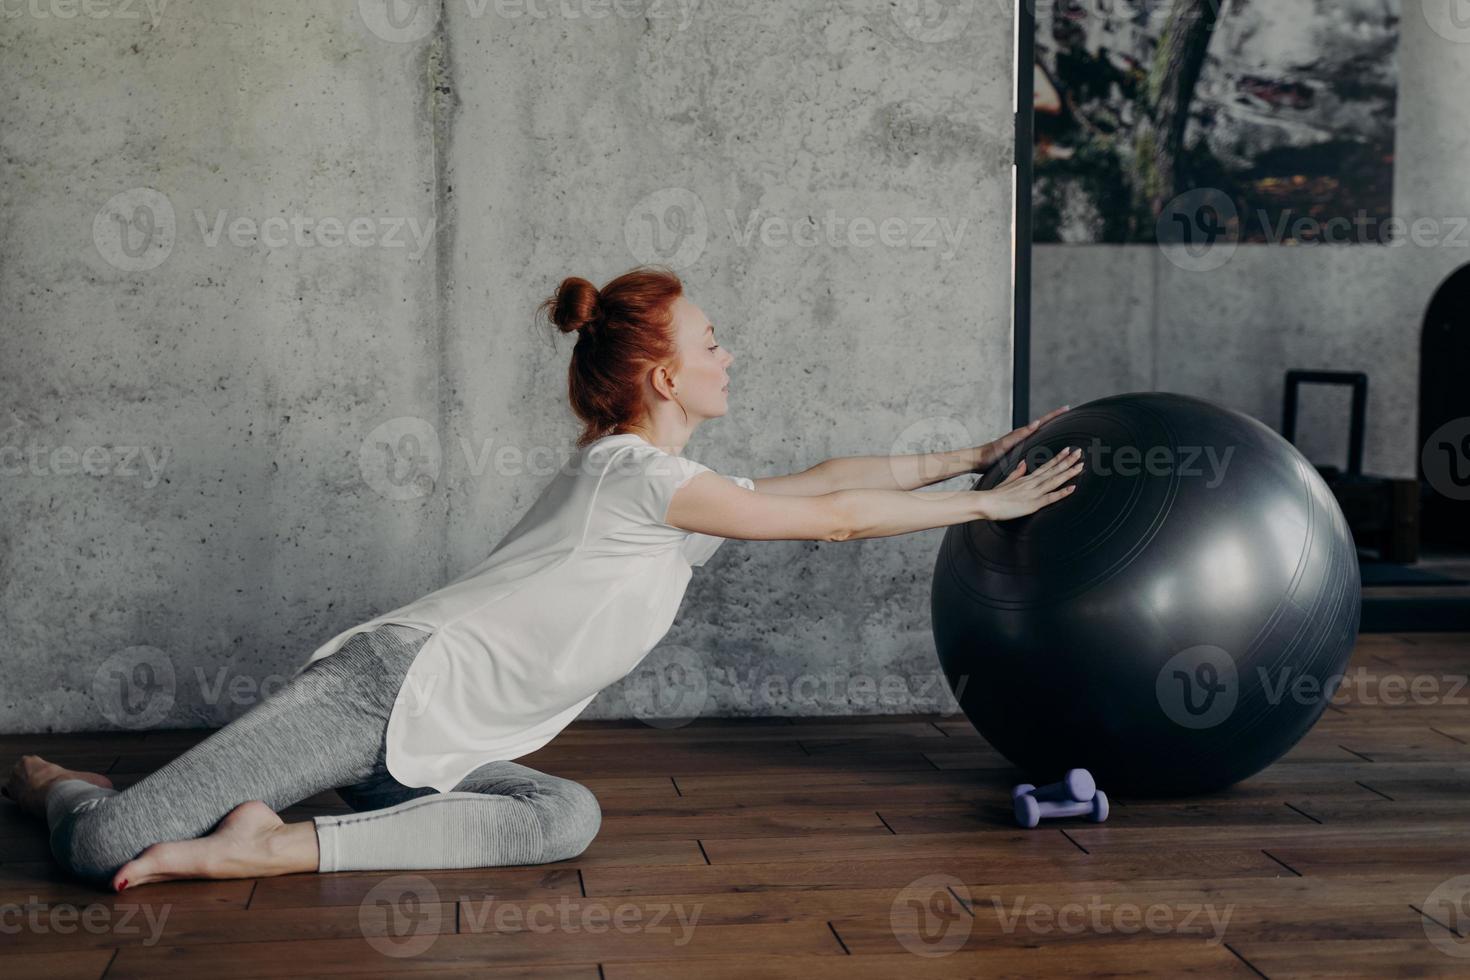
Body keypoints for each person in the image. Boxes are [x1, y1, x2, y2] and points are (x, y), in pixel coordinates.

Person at [2, 266, 1080, 891]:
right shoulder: (635, 475)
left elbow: (829, 480)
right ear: (666, 374)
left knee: (562, 815)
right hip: (381, 687)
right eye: (716, 339)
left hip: (445, 739)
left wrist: (974, 450)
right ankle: (45, 780)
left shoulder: (675, 487)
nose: (732, 353)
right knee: (103, 845)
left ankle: (270, 844)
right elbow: (834, 522)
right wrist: (987, 506)